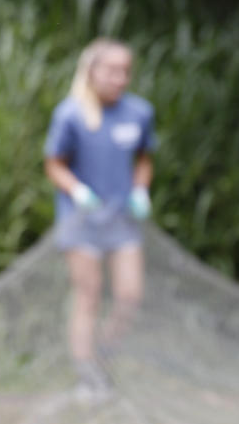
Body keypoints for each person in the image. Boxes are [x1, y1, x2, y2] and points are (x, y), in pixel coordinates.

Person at [43, 38, 155, 399]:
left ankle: (103, 360)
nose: (119, 78)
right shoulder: (71, 114)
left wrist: (141, 190)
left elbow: (143, 158)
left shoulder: (138, 113)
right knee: (88, 296)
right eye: (111, 70)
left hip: (122, 221)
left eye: (125, 71)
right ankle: (86, 375)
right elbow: (54, 164)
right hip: (82, 221)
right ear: (91, 71)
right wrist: (76, 191)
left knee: (129, 296)